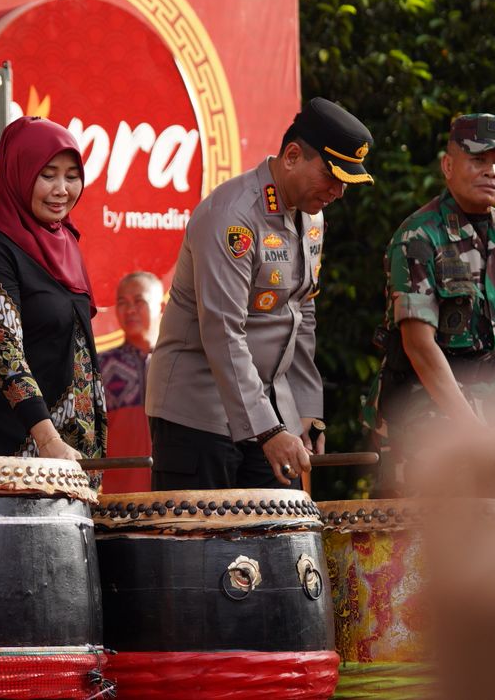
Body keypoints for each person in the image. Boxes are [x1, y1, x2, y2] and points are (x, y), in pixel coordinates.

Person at [146, 97, 373, 491]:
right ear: (291, 156)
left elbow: (301, 310)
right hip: (199, 416)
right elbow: (222, 331)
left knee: (276, 542)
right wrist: (269, 430)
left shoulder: (313, 215)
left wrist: (305, 410)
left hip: (267, 414)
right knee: (203, 547)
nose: (338, 191)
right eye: (331, 176)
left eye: (346, 183)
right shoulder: (232, 217)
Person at [0, 115, 104, 465]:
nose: (62, 189)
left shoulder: (67, 243)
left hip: (64, 453)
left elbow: (79, 354)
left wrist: (89, 439)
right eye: (47, 175)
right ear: (18, 173)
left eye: (72, 177)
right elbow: (3, 351)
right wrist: (48, 439)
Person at [369, 114, 495, 485]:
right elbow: (419, 347)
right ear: (448, 166)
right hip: (426, 416)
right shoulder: (419, 236)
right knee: (429, 539)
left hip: (493, 412)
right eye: (478, 160)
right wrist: (471, 429)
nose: (492, 172)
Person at [98, 270, 164, 493]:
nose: (130, 310)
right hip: (117, 495)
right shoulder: (99, 366)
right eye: (122, 303)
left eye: (139, 301)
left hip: (172, 493)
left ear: (161, 308)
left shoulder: (179, 364)